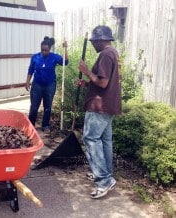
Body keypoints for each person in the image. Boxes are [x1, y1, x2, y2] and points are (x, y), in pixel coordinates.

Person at [77, 25, 122, 199]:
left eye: (94, 41)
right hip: (109, 105)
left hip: (99, 106)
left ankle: (103, 180)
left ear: (101, 40)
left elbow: (103, 83)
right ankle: (106, 174)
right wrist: (87, 83)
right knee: (105, 141)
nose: (93, 44)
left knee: (90, 138)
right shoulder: (114, 53)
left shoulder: (105, 55)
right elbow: (106, 83)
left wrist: (86, 71)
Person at [26, 36, 68, 133]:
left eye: (46, 50)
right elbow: (30, 70)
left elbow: (65, 62)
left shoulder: (54, 57)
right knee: (34, 106)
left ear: (49, 49)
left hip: (50, 85)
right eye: (42, 50)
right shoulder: (35, 57)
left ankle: (45, 125)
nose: (44, 52)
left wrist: (66, 49)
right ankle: (31, 125)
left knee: (48, 106)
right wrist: (27, 82)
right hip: (37, 85)